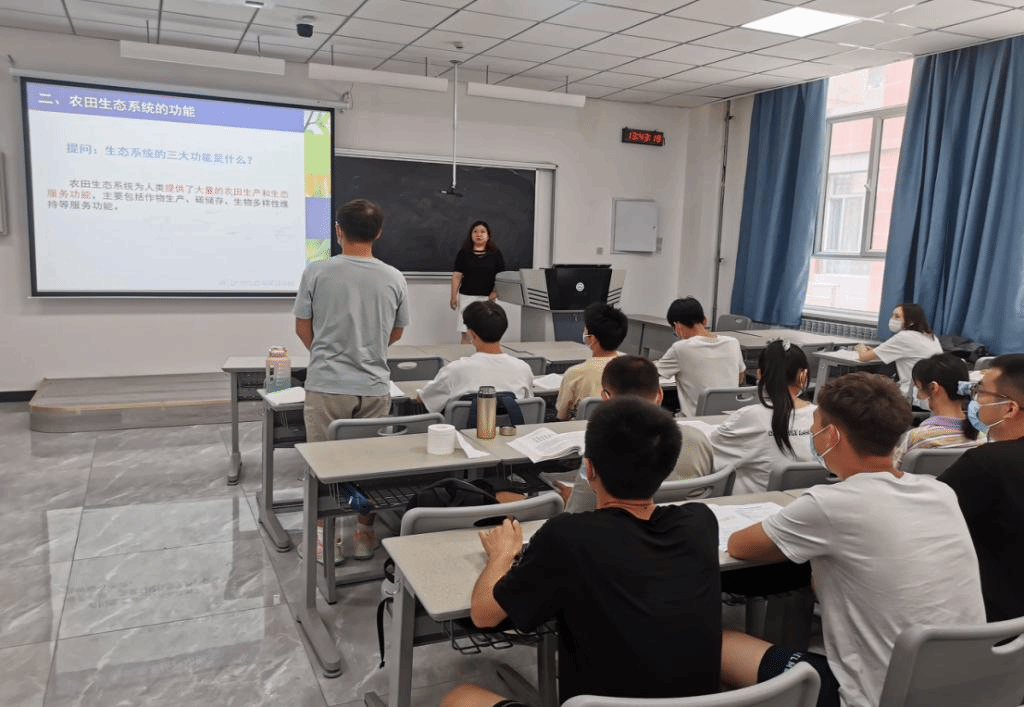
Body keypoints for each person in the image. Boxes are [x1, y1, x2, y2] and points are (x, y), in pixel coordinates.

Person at [721, 372, 985, 707]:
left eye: (815, 426)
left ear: (831, 435)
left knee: (716, 643)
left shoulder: (829, 504)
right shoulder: (940, 492)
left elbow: (739, 546)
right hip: (972, 688)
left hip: (876, 699)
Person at [442, 397, 721, 707]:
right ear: (666, 469)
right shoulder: (701, 523)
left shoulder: (568, 536)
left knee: (461, 698)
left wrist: (502, 554)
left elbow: (484, 614)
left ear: (589, 469)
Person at [293, 198, 409, 562]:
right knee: (368, 463)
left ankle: (322, 538)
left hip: (327, 384)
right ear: (379, 233)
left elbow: (302, 328)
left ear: (338, 231)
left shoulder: (317, 272)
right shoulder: (394, 276)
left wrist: (326, 354)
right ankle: (363, 533)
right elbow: (397, 332)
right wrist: (368, 351)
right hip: (374, 386)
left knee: (322, 463)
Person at [555, 355, 713, 512]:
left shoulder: (600, 450)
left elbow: (579, 513)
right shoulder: (698, 440)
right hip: (681, 524)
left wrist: (569, 500)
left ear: (606, 398)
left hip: (619, 527)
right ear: (660, 393)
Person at [940, 353, 1024, 621]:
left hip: (988, 620)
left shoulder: (986, 464)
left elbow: (927, 520)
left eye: (981, 391)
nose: (974, 399)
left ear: (1009, 408)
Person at [709, 340, 817, 493]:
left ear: (759, 374)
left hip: (753, 503)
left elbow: (709, 454)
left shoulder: (750, 416)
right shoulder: (824, 417)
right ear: (803, 376)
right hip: (806, 502)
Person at [418, 300, 533, 414]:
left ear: (472, 335)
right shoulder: (523, 369)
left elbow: (424, 399)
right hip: (512, 426)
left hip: (463, 426)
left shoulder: (455, 370)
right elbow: (529, 407)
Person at [656, 296, 745, 417]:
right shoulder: (732, 342)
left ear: (677, 326)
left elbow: (650, 373)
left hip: (694, 420)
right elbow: (740, 378)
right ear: (705, 320)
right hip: (728, 418)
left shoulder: (680, 348)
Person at [892, 352, 982, 470]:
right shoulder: (982, 437)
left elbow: (894, 472)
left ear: (933, 388)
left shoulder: (917, 437)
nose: (917, 396)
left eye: (919, 388)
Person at [554, 302, 628, 420]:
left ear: (592, 339)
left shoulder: (574, 373)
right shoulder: (632, 367)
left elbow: (562, 415)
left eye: (585, 328)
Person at [855, 302, 942, 399]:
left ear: (911, 321)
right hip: (934, 391)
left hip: (914, 392)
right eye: (892, 316)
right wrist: (876, 352)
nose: (892, 319)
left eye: (897, 317)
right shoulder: (931, 336)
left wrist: (860, 346)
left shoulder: (904, 337)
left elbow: (863, 357)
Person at [450, 221, 505, 344]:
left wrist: (495, 292)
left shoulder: (495, 254)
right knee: (466, 333)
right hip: (466, 297)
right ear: (471, 235)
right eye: (475, 231)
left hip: (487, 299)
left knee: (486, 333)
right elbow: (457, 276)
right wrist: (453, 296)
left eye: (482, 231)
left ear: (488, 235)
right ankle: (465, 355)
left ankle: (484, 355)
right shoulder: (464, 253)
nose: (478, 234)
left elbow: (501, 277)